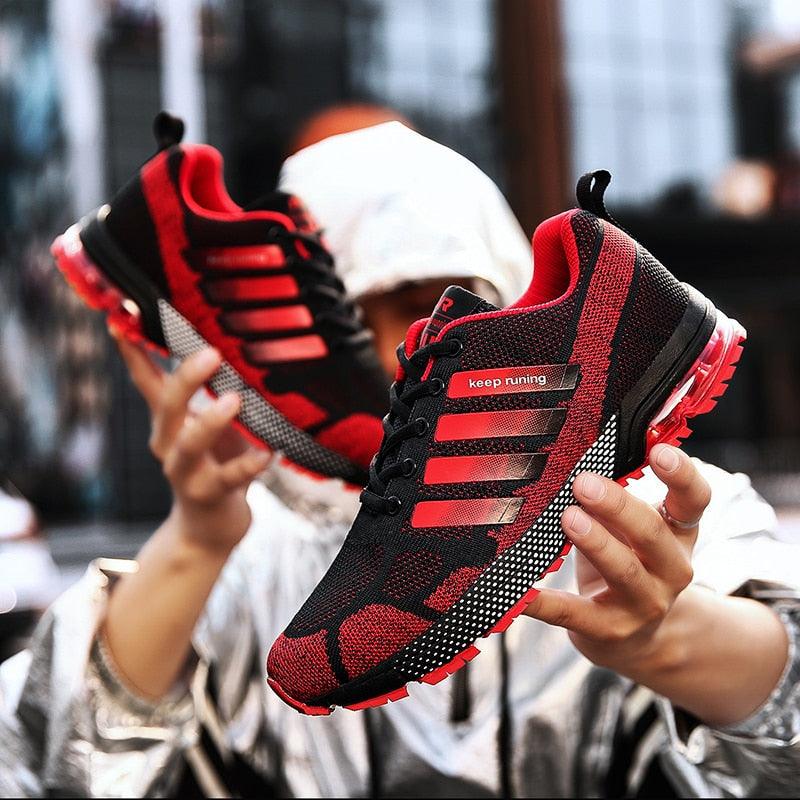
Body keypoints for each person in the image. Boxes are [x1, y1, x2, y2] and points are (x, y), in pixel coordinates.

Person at [1, 117, 799, 798]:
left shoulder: (652, 508)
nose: (396, 356)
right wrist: (195, 541)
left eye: (435, 317)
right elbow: (46, 771)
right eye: (351, 322)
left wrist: (668, 638)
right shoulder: (250, 542)